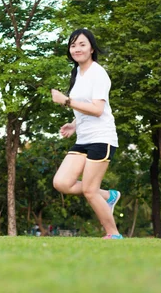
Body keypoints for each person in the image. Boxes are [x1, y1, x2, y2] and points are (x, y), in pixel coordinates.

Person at [50, 28, 123, 240]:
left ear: (91, 48)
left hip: (102, 138)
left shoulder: (98, 73)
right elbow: (85, 105)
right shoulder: (77, 74)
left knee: (90, 190)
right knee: (62, 182)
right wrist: (74, 124)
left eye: (82, 44)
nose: (77, 49)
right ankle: (108, 196)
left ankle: (113, 234)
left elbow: (98, 109)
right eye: (73, 45)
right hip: (83, 138)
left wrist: (66, 101)